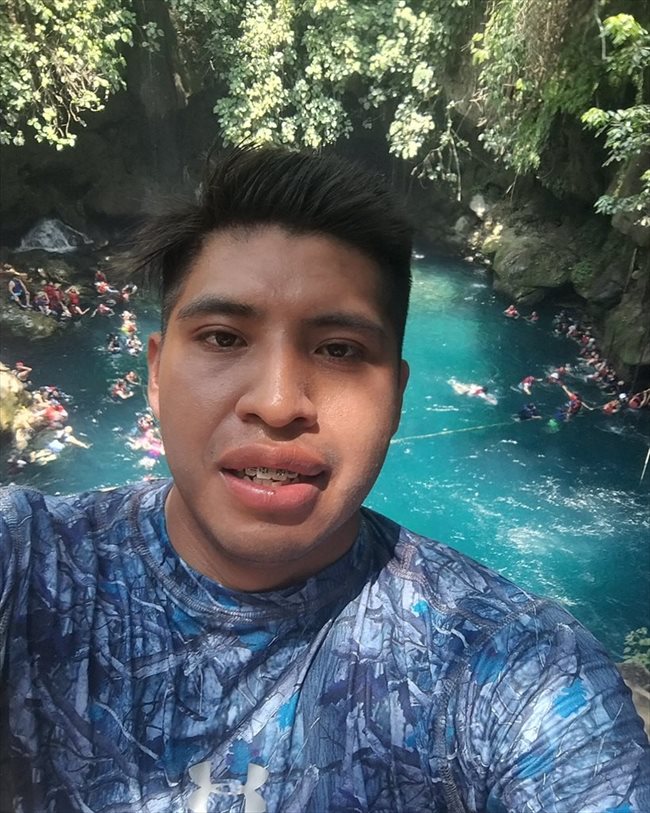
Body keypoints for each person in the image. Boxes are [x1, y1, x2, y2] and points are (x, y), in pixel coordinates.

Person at [1, 146, 648, 813]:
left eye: (339, 349)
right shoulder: (28, 562)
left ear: (396, 398)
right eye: (223, 337)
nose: (278, 403)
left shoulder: (511, 664)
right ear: (156, 376)